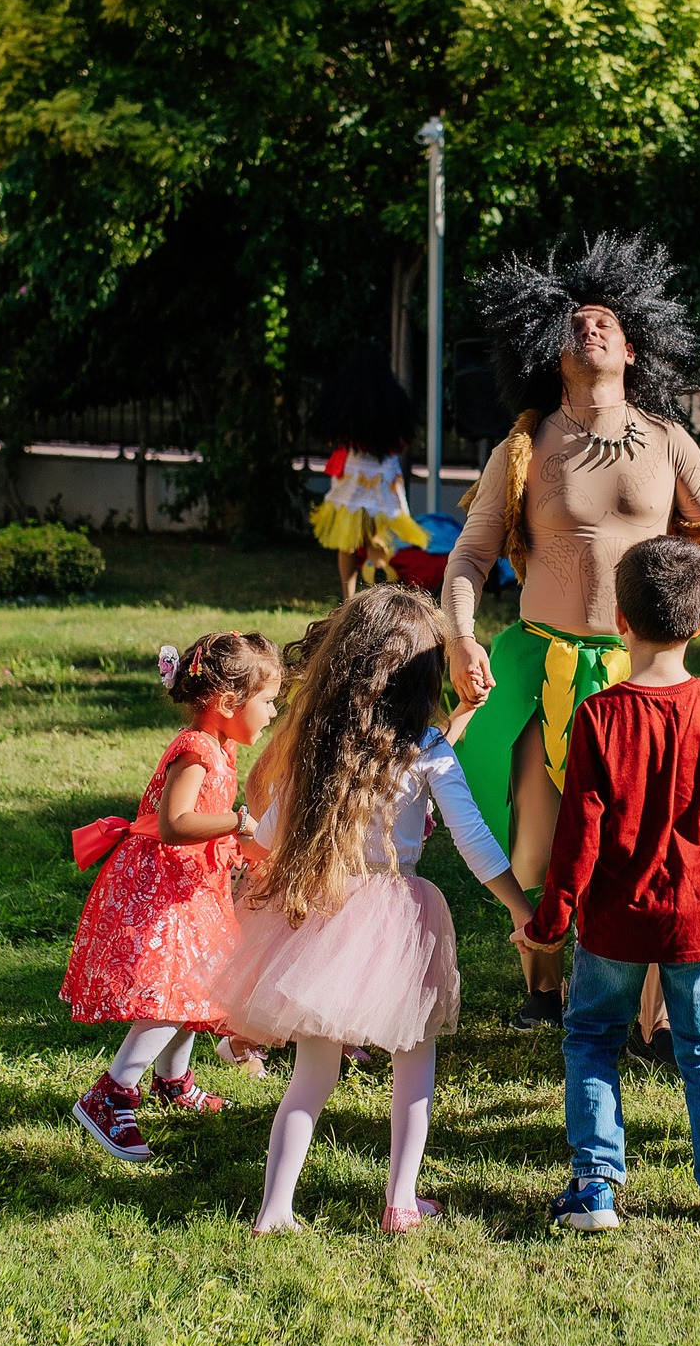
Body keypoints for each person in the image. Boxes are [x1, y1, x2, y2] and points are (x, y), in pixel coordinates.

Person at [444, 233, 700, 1031]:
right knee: (537, 843)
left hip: (644, 672)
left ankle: (655, 1017)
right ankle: (542, 989)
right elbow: (471, 553)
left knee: (655, 840)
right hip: (539, 669)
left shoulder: (668, 441)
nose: (589, 328)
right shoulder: (523, 446)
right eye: (574, 323)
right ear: (551, 352)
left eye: (605, 322)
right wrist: (460, 635)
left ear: (633, 347)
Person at [515, 537, 700, 1239]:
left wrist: (550, 919)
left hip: (614, 924)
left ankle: (594, 1184)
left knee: (592, 1036)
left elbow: (577, 838)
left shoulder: (597, 715)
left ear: (619, 620)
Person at [207, 584, 538, 1234]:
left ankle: (275, 1209)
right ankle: (401, 1201)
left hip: (323, 910)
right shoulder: (427, 750)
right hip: (399, 917)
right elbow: (473, 840)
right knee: (415, 1056)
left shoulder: (321, 744)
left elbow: (269, 835)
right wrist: (521, 909)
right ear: (424, 676)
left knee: (313, 1071)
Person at [63, 632, 283, 1162]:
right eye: (268, 700)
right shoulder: (197, 750)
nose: (273, 712)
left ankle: (173, 1081)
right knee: (172, 991)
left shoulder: (221, 746)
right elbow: (175, 822)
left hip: (190, 885)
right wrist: (236, 822)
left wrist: (248, 847)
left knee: (198, 985)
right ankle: (110, 1093)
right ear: (229, 703)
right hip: (164, 887)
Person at [307, 342, 428, 604]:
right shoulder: (392, 397)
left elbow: (329, 434)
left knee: (347, 540)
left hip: (353, 473)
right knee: (374, 536)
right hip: (383, 473)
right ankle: (380, 596)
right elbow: (404, 440)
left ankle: (347, 598)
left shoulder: (345, 398)